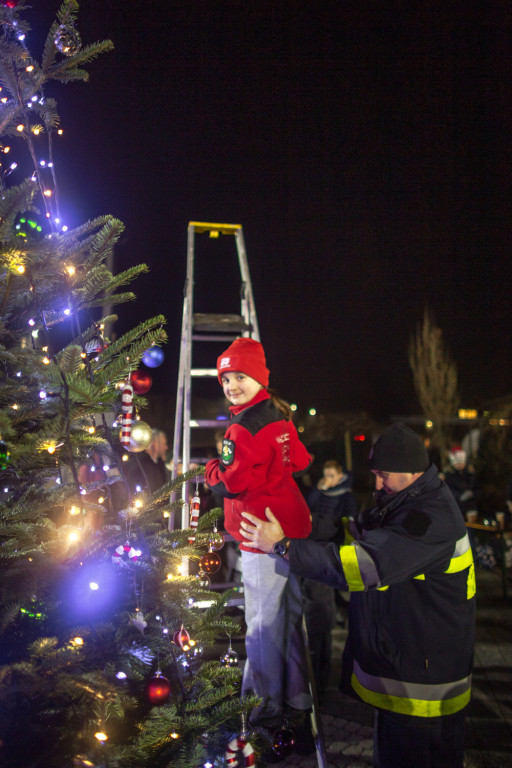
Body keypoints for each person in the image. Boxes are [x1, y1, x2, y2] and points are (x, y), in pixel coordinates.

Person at [240, 422, 476, 768]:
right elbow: (353, 530)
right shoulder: (408, 499)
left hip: (423, 690)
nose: (377, 484)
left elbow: (361, 565)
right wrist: (299, 525)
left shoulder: (427, 520)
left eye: (384, 475)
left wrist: (284, 546)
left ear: (412, 472)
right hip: (416, 673)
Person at [204, 337, 314, 741]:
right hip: (292, 531)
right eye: (226, 378)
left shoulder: (242, 426)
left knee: (262, 628)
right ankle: (299, 702)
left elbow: (231, 483)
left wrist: (212, 468)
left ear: (259, 378)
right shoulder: (279, 416)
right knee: (288, 621)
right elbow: (301, 461)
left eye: (240, 377)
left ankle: (266, 713)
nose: (232, 385)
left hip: (259, 536)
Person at [301, 460, 358, 694]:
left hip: (331, 550)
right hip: (317, 550)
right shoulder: (321, 490)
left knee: (325, 606)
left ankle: (322, 679)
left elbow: (348, 523)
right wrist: (318, 489)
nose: (328, 479)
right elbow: (307, 507)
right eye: (326, 474)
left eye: (331, 475)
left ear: (340, 475)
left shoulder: (346, 496)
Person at [127, 428, 169, 494]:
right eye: (163, 444)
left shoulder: (159, 464)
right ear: (155, 444)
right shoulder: (139, 465)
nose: (166, 447)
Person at [442, 446, 478, 519]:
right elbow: (448, 489)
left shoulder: (469, 472)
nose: (460, 465)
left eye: (462, 463)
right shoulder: (449, 475)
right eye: (458, 464)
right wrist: (459, 496)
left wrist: (472, 492)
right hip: (456, 505)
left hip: (470, 505)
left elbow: (475, 485)